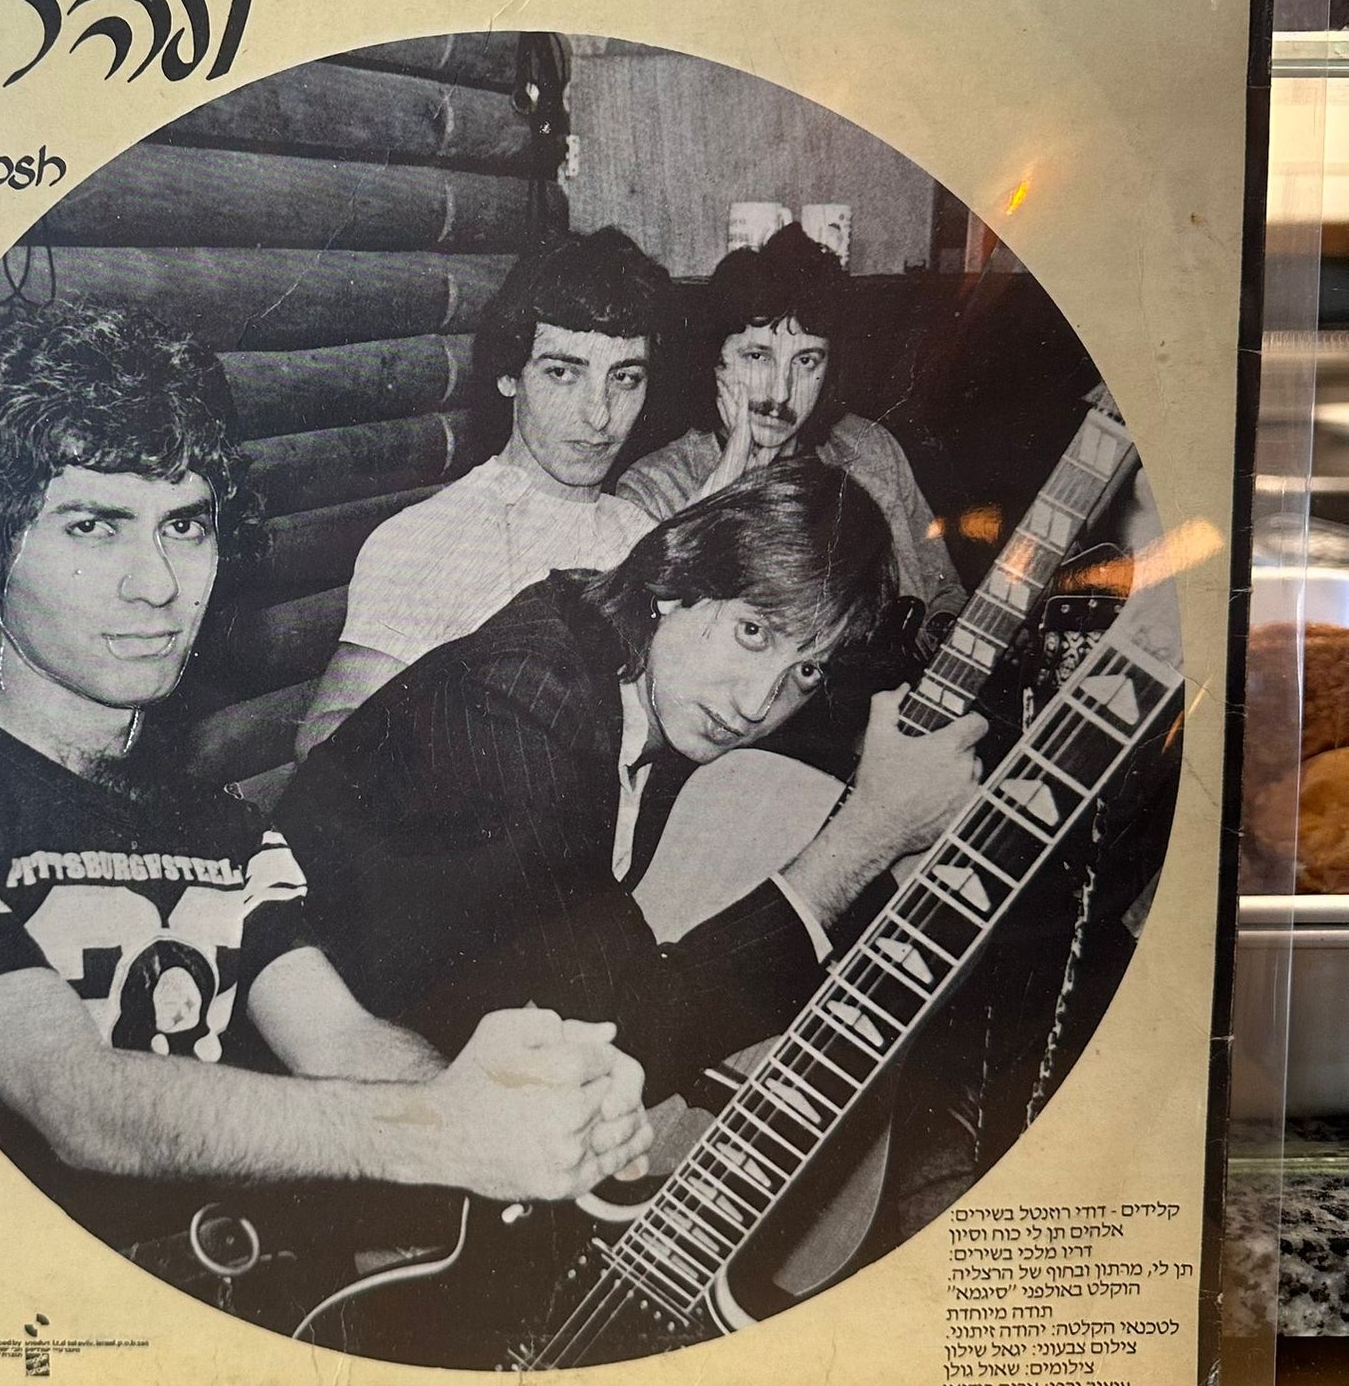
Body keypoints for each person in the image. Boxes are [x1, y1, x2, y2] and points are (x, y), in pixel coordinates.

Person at [0, 303, 652, 1267]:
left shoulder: (222, 828)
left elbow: (343, 1043)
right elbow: (75, 1100)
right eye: (93, 527)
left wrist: (515, 1103)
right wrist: (445, 1133)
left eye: (185, 526)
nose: (157, 584)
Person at [276, 457, 986, 1109]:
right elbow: (620, 1035)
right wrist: (866, 838)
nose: (756, 705)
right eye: (753, 632)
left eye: (804, 671)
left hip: (437, 1075)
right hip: (309, 1103)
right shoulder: (523, 707)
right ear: (678, 583)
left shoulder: (650, 688)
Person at [295, 228, 671, 758]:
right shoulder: (428, 537)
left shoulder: (642, 534)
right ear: (508, 376)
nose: (599, 414)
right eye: (563, 373)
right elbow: (324, 738)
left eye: (625, 378)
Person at [617, 222, 960, 613]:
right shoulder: (654, 490)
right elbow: (657, 626)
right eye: (758, 357)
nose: (781, 392)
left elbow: (945, 593)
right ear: (714, 361)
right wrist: (731, 479)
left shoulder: (872, 450)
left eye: (806, 361)